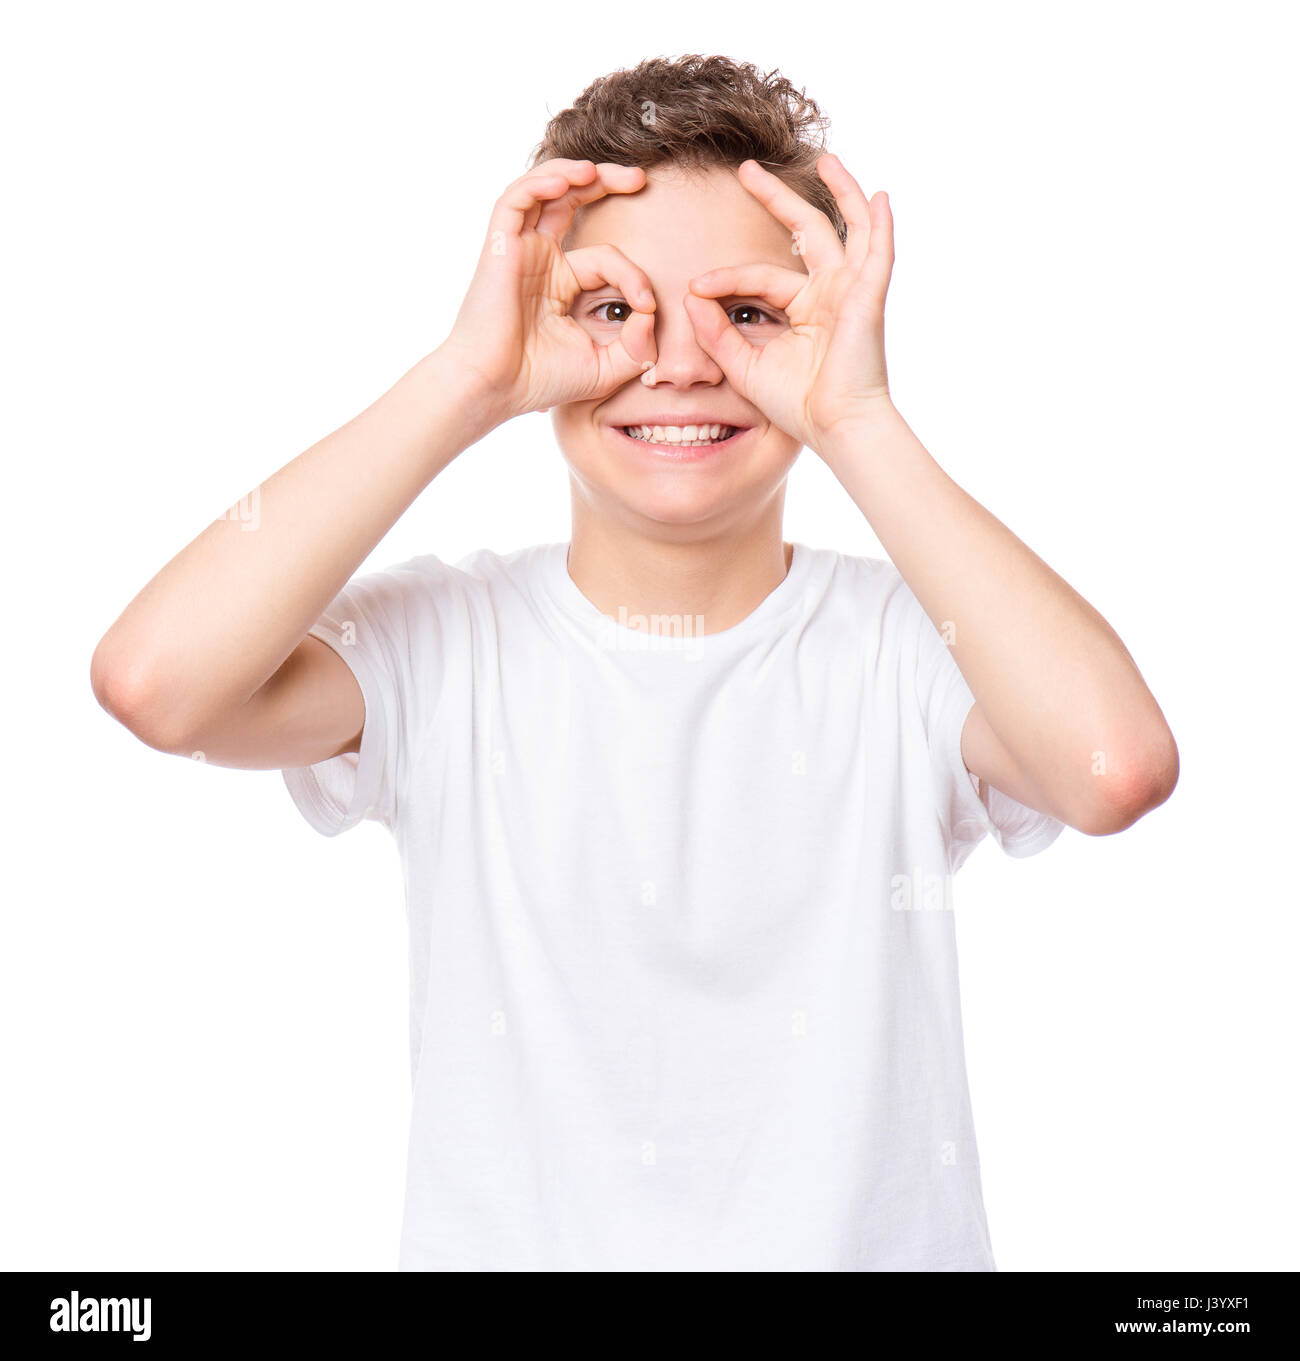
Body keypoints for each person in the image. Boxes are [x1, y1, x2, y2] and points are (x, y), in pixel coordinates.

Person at [91, 54, 1178, 1271]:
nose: (679, 362)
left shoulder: (907, 652)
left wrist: (858, 419)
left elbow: (1112, 765)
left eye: (748, 312)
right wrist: (464, 379)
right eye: (615, 308)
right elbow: (155, 681)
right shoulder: (447, 647)